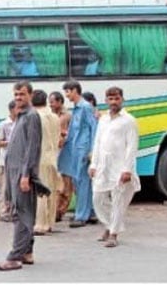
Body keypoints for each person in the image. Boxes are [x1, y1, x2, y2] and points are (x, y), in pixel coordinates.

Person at [0, 81, 43, 271]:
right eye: (16, 95)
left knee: (21, 214)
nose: (18, 98)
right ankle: (27, 252)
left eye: (22, 94)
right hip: (14, 172)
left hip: (22, 174)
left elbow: (32, 148)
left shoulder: (31, 116)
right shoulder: (21, 116)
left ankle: (14, 257)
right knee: (21, 212)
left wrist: (25, 175)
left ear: (30, 95)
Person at [89, 86, 141, 248]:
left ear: (122, 100)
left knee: (118, 201)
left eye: (116, 99)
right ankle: (108, 224)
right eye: (110, 99)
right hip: (103, 166)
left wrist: (127, 169)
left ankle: (113, 234)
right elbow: (97, 142)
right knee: (98, 198)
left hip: (120, 168)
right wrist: (93, 164)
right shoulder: (103, 119)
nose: (113, 102)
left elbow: (132, 146)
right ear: (106, 101)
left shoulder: (129, 121)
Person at [58, 81, 98, 228]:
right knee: (79, 182)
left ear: (75, 91)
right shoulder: (77, 108)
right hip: (75, 149)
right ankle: (89, 212)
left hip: (83, 149)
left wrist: (92, 150)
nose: (67, 95)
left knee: (82, 183)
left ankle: (82, 216)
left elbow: (94, 128)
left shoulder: (86, 107)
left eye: (68, 92)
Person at [32, 90, 61, 235]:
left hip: (39, 158)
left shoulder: (34, 117)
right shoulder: (54, 117)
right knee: (51, 191)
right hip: (52, 157)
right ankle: (50, 223)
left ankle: (40, 224)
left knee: (40, 193)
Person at [49, 91, 72, 223]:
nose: (50, 104)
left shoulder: (68, 116)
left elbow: (72, 133)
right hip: (53, 151)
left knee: (65, 184)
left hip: (65, 151)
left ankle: (60, 211)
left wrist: (64, 134)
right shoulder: (50, 115)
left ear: (59, 102)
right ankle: (54, 211)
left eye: (52, 102)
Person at [0, 101, 17, 222]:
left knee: (15, 189)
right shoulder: (4, 124)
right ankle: (2, 212)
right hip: (5, 161)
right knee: (4, 188)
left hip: (18, 161)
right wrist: (10, 143)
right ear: (11, 110)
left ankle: (13, 211)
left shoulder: (21, 122)